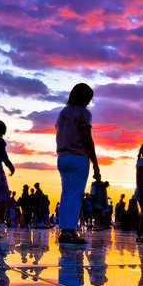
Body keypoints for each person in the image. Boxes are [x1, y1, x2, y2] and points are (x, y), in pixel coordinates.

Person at [55, 83, 98, 245]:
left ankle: (64, 230)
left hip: (62, 156)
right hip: (78, 157)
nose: (88, 103)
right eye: (88, 99)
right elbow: (87, 140)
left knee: (66, 194)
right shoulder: (83, 114)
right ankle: (71, 231)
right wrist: (95, 164)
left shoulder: (63, 113)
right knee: (75, 194)